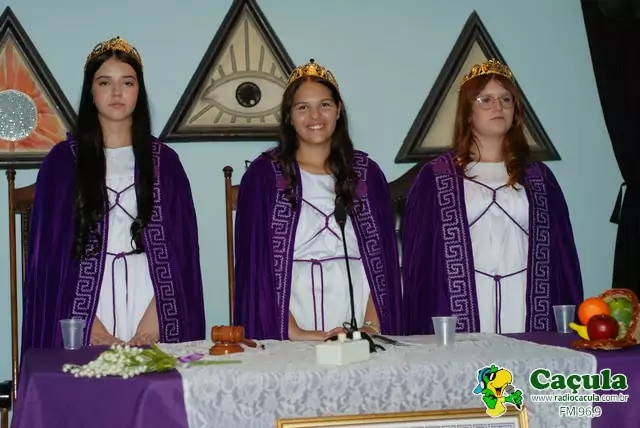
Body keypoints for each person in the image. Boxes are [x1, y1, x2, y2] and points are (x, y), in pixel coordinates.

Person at [21, 37, 205, 351]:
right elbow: (49, 262)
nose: (117, 92)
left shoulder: (165, 163)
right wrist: (86, 322)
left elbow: (182, 256)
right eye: (105, 82)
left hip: (152, 295)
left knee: (151, 375)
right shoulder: (62, 163)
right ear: (91, 92)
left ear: (139, 92)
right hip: (83, 300)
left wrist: (155, 320)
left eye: (127, 82)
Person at [402, 59, 583, 335]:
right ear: (468, 112)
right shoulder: (436, 177)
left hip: (525, 300)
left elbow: (563, 257)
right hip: (461, 305)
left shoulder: (538, 177)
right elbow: (421, 263)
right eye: (485, 100)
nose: (498, 107)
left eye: (506, 100)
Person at [233, 59, 402, 341]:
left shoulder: (366, 174)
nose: (315, 116)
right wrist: (296, 333)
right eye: (303, 107)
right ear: (289, 116)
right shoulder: (263, 176)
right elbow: (257, 270)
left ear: (338, 110)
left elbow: (383, 265)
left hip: (358, 317)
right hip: (288, 321)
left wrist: (370, 328)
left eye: (324, 104)